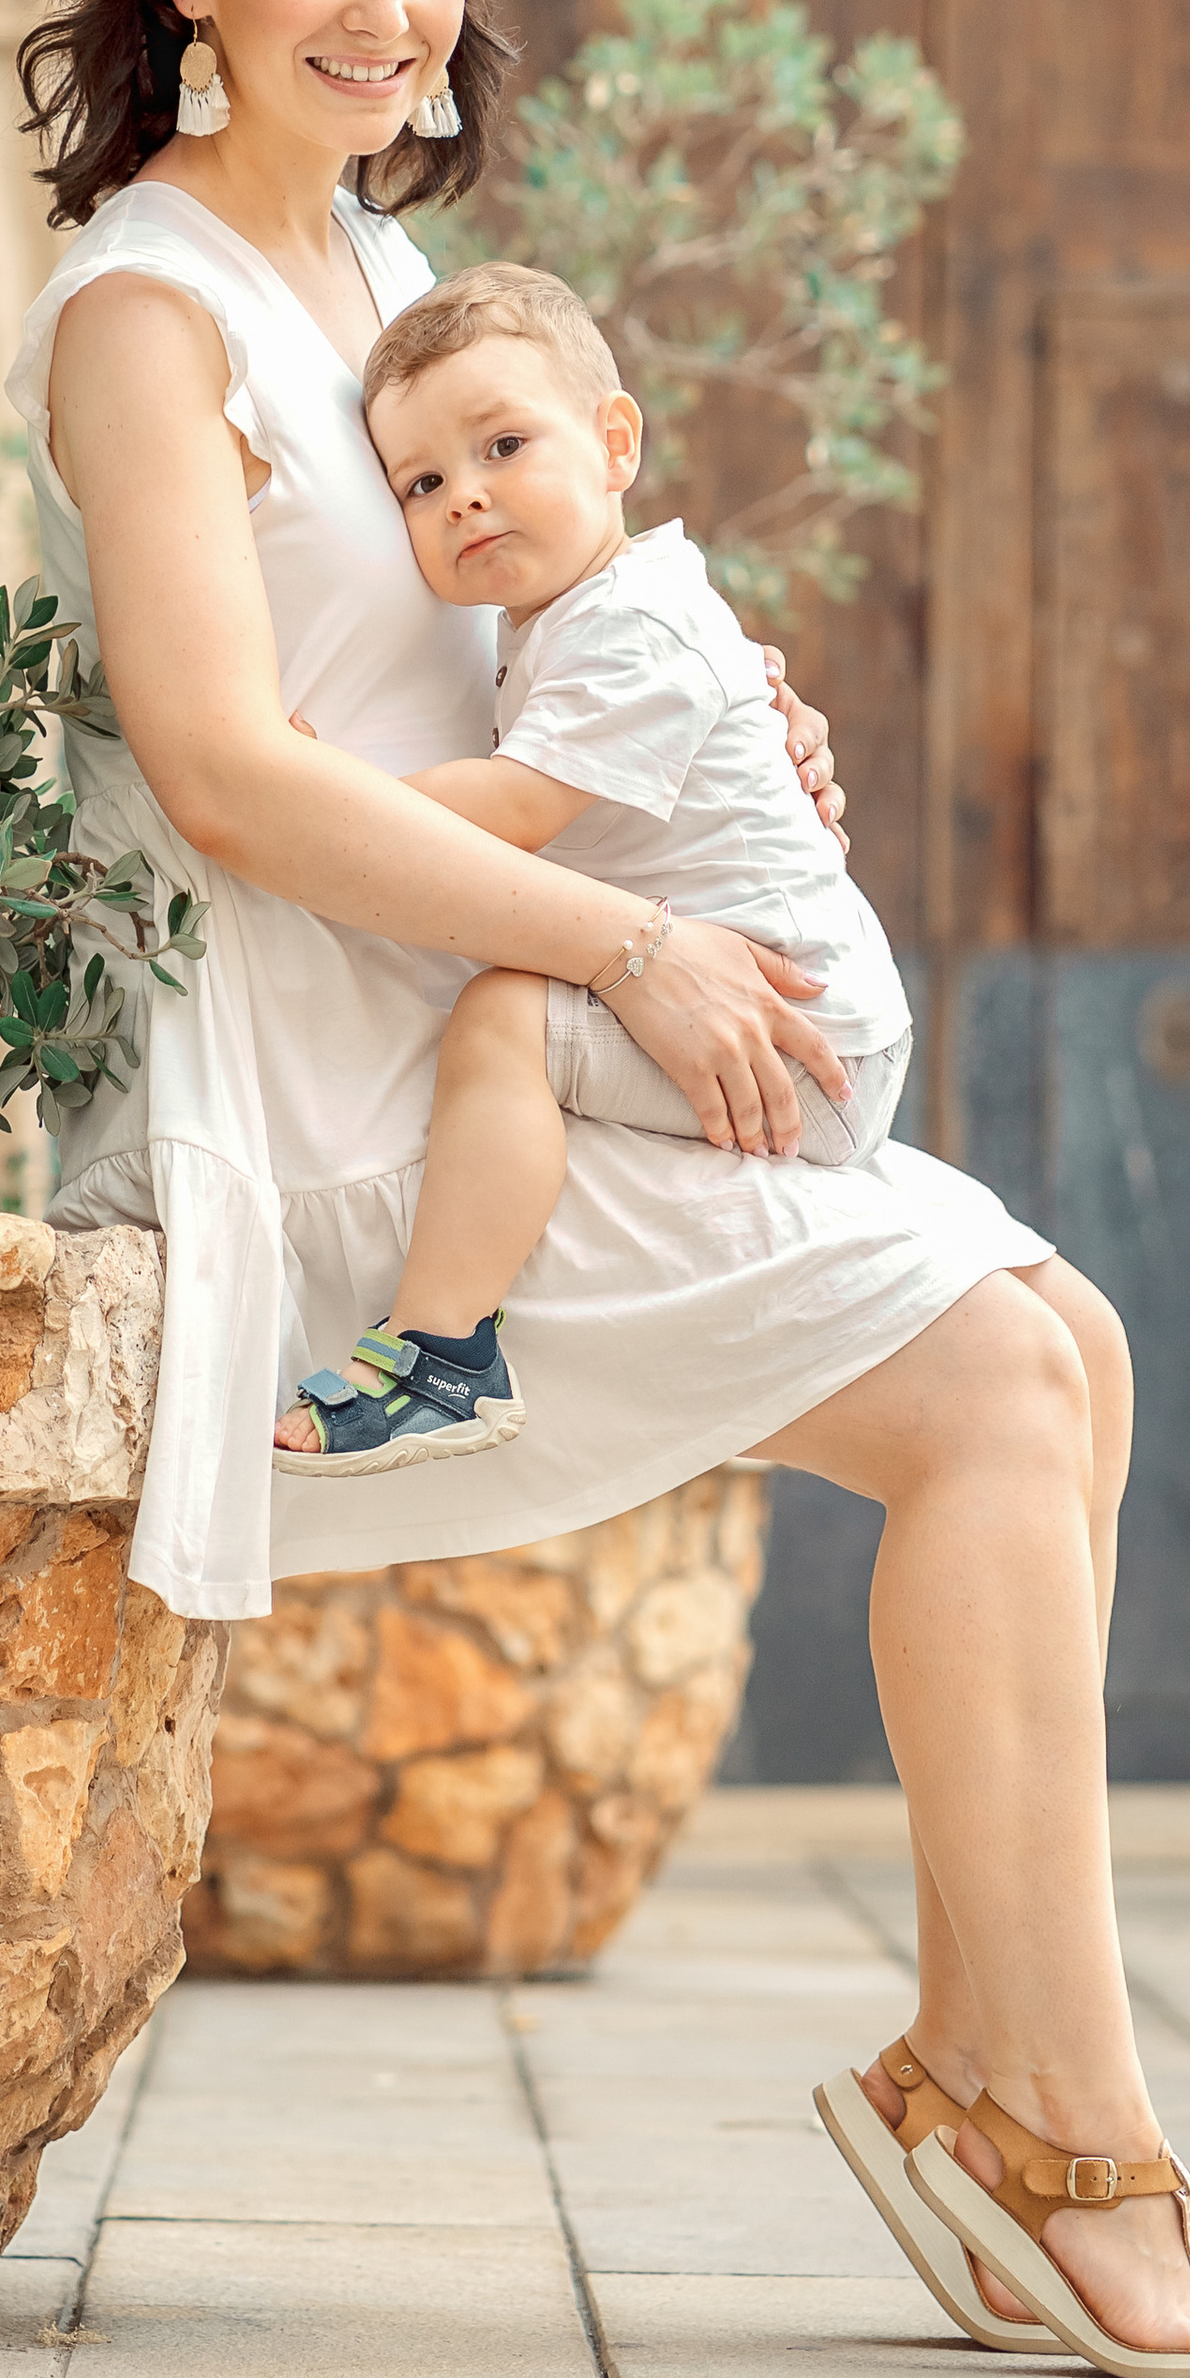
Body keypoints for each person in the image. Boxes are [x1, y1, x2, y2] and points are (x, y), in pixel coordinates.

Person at [7, 0, 1190, 2378]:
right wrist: (618, 947)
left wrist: (706, 731)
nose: (381, 9)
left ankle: (985, 2063)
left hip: (501, 1009)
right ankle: (1054, 2133)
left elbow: (535, 621)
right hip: (333, 1101)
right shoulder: (149, 307)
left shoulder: (377, 274)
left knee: (1067, 1336)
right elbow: (234, 775)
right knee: (986, 1399)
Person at [274, 257, 913, 1473]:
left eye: (504, 445)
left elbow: (511, 811)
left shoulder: (632, 627)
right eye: (421, 482)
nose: (464, 496)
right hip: (780, 999)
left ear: (616, 442)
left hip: (796, 1026)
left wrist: (326, 792)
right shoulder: (580, 613)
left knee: (507, 1016)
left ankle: (442, 1356)